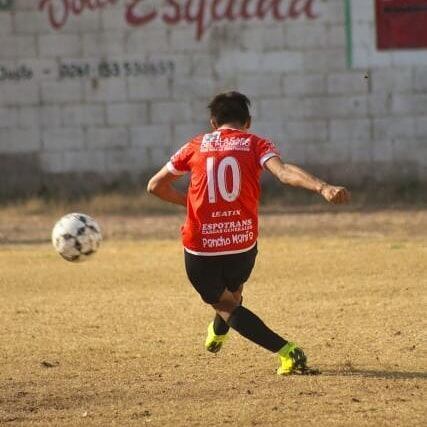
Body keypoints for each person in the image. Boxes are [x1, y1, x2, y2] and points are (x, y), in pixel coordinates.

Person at [147, 91, 350, 375]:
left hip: (202, 245)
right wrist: (323, 187)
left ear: (213, 122)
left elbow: (155, 186)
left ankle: (288, 352)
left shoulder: (195, 145)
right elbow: (284, 173)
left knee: (225, 305)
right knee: (233, 295)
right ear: (248, 122)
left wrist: (191, 203)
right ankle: (218, 333)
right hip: (242, 243)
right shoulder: (255, 143)